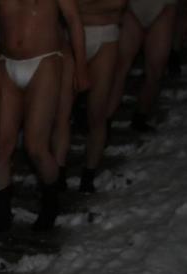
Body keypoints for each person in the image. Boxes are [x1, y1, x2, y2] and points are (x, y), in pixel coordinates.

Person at [0, 0, 89, 231]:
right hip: (6, 63)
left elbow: (73, 20)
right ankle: (3, 213)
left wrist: (81, 68)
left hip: (45, 61)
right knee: (0, 147)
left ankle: (50, 202)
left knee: (36, 146)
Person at [77, 0, 129, 192]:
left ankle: (88, 174)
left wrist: (81, 8)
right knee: (58, 112)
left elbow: (117, 4)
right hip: (69, 37)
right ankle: (57, 175)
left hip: (105, 35)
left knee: (97, 112)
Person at [107, 0, 177, 132]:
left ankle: (140, 115)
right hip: (132, 7)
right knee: (120, 68)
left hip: (164, 7)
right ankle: (106, 120)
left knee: (155, 71)